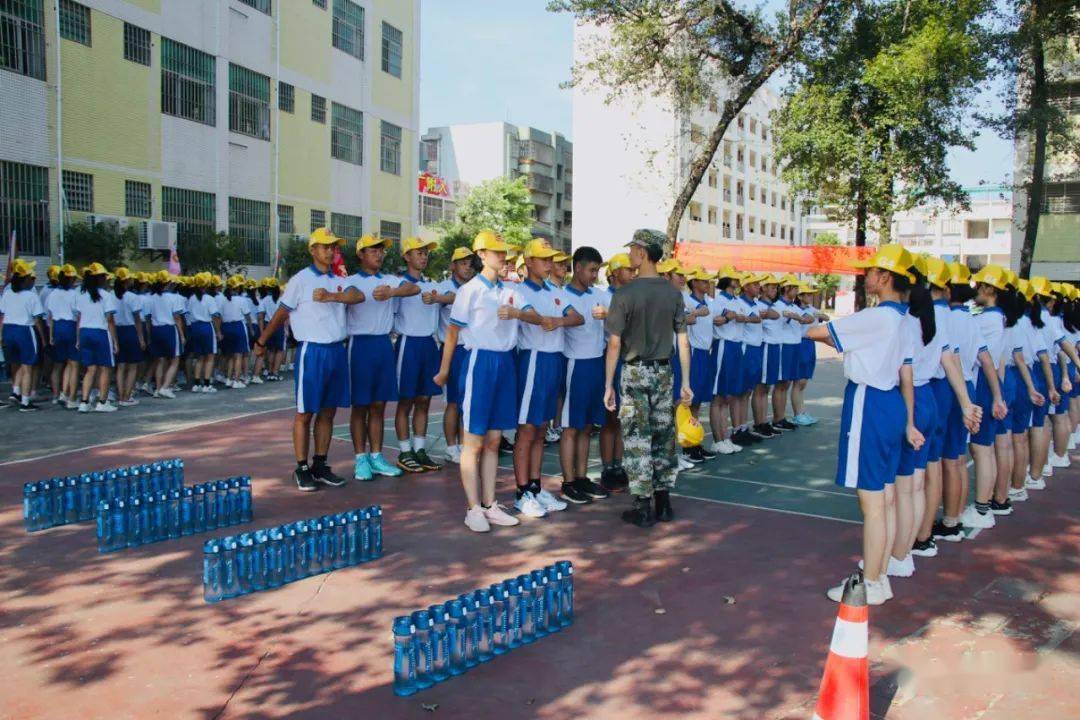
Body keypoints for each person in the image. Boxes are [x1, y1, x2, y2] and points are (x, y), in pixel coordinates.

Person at [806, 244, 922, 605]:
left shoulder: (879, 316)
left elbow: (816, 333)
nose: (866, 276)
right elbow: (906, 371)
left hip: (868, 402)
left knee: (872, 502)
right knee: (884, 498)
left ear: (885, 278)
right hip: (890, 404)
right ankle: (880, 574)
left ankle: (870, 581)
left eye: (872, 271)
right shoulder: (905, 318)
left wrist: (819, 326)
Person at [434, 230, 532, 533]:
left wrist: (518, 312)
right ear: (482, 255)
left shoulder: (512, 290)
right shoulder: (470, 291)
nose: (503, 257)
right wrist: (444, 369)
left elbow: (536, 317)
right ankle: (473, 508)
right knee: (473, 441)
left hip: (505, 363)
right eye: (497, 252)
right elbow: (453, 333)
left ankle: (490, 505)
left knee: (493, 440)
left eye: (505, 252)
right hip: (479, 362)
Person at [253, 227, 360, 492]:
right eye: (325, 246)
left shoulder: (339, 279)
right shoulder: (301, 280)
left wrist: (333, 296)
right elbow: (281, 313)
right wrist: (262, 340)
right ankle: (301, 467)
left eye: (333, 247)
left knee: (329, 411)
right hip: (312, 351)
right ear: (312, 250)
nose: (330, 251)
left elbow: (357, 296)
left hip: (336, 350)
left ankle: (320, 464)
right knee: (305, 412)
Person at [603, 229, 692, 528]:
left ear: (642, 253)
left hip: (635, 371)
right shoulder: (673, 293)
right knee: (664, 434)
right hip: (664, 371)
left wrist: (608, 384)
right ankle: (664, 501)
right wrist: (686, 382)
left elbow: (615, 343)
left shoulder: (624, 294)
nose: (629, 255)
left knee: (637, 436)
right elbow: (683, 341)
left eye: (632, 251)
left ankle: (642, 505)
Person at [343, 233, 417, 481]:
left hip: (384, 344)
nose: (379, 254)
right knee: (360, 406)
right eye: (373, 250)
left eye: (381, 250)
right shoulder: (351, 280)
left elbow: (413, 287)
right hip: (361, 346)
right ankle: (360, 458)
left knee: (379, 406)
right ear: (361, 254)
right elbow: (348, 297)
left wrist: (392, 292)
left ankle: (376, 456)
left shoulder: (389, 280)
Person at [512, 238, 573, 518]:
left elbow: (575, 317)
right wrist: (547, 319)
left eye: (551, 259)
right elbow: (531, 316)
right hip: (534, 359)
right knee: (527, 429)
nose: (549, 263)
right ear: (529, 262)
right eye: (544, 259)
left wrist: (558, 320)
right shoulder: (519, 290)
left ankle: (535, 487)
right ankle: (521, 491)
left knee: (541, 429)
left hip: (553, 360)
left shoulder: (554, 291)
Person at [557, 246, 612, 504]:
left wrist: (608, 315)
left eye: (597, 270)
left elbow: (620, 320)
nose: (594, 275)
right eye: (591, 270)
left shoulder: (598, 296)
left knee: (588, 426)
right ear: (577, 267)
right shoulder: (561, 296)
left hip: (595, 364)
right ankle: (567, 482)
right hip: (575, 365)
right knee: (571, 427)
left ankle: (581, 477)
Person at [963, 264, 1013, 530]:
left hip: (983, 383)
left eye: (979, 287)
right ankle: (988, 503)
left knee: (981, 449)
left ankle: (982, 508)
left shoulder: (986, 319)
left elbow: (986, 360)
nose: (976, 292)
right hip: (991, 383)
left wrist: (995, 395)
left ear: (990, 289)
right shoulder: (997, 317)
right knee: (988, 449)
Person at [393, 236, 446, 474]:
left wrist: (438, 298)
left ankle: (420, 449)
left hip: (428, 344)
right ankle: (405, 452)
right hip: (408, 344)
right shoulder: (397, 286)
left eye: (425, 253)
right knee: (406, 400)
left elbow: (453, 299)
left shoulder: (432, 286)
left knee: (424, 400)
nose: (423, 257)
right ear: (406, 256)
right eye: (418, 253)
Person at [437, 246, 477, 464]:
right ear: (453, 265)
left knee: (467, 402)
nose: (467, 266)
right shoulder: (444, 287)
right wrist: (445, 298)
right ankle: (451, 447)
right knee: (453, 402)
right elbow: (441, 298)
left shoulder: (474, 287)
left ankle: (464, 444)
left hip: (471, 349)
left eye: (470, 263)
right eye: (462, 262)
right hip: (454, 351)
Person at [598, 253, 633, 492]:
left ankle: (619, 465)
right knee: (609, 418)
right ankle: (607, 466)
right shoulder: (603, 296)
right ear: (615, 273)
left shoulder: (631, 298)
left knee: (623, 417)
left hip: (628, 360)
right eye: (628, 270)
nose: (632, 273)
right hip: (610, 359)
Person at [0, 259, 47, 411]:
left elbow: (2, 315)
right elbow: (38, 319)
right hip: (25, 331)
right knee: (27, 366)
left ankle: (16, 391)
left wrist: (1, 335)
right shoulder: (31, 296)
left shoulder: (7, 294)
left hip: (8, 330)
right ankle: (25, 402)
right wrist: (43, 338)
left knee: (16, 363)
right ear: (25, 280)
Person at [707, 267, 744, 454]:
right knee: (718, 396)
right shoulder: (718, 300)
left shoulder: (736, 301)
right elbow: (715, 321)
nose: (738, 280)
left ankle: (725, 437)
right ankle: (717, 440)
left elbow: (743, 318)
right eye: (735, 277)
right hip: (724, 346)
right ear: (727, 280)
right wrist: (728, 318)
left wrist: (736, 317)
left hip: (736, 347)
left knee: (728, 396)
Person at [74, 263, 120, 413]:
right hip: (100, 333)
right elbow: (110, 320)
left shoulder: (80, 295)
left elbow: (79, 319)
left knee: (90, 369)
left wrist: (78, 339)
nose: (106, 279)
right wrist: (115, 341)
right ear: (100, 279)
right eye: (104, 276)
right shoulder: (106, 296)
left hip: (84, 332)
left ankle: (84, 401)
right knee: (105, 369)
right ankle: (102, 402)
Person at [732, 272, 765, 447]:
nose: (758, 287)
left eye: (758, 284)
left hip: (756, 349)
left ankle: (743, 427)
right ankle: (736, 429)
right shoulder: (739, 303)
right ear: (745, 287)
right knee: (739, 392)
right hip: (745, 349)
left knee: (747, 392)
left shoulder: (757, 304)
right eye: (754, 284)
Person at [772, 275, 807, 430]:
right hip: (784, 346)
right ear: (786, 288)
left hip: (794, 346)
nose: (797, 291)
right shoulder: (778, 305)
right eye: (795, 288)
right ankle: (777, 419)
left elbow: (805, 317)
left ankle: (782, 417)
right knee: (781, 384)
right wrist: (791, 316)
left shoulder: (794, 306)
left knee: (786, 384)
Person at [791, 283, 828, 425]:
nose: (810, 296)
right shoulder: (795, 310)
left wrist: (819, 314)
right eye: (807, 294)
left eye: (810, 294)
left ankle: (802, 412)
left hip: (809, 345)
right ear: (800, 296)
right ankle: (797, 414)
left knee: (804, 382)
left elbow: (825, 317)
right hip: (800, 344)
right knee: (798, 381)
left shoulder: (812, 309)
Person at [146, 271, 185, 398]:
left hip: (156, 329)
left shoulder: (151, 297)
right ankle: (165, 386)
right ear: (169, 283)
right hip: (169, 329)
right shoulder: (174, 298)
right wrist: (182, 335)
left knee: (160, 360)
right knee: (175, 359)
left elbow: (148, 317)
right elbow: (177, 317)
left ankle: (158, 388)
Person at [45, 264, 80, 407]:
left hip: (57, 327)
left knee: (58, 365)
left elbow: (51, 316)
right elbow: (78, 316)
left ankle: (57, 394)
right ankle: (71, 398)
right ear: (71, 279)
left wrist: (51, 336)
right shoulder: (75, 294)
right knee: (74, 364)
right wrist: (78, 337)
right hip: (71, 327)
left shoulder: (52, 294)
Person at [112, 267, 147, 407]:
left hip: (117, 330)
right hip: (130, 331)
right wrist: (141, 338)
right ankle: (127, 396)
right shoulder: (133, 297)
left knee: (120, 366)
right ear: (127, 281)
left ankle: (121, 396)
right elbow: (137, 319)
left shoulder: (110, 295)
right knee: (132, 366)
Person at [186, 273, 222, 394]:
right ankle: (206, 384)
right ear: (206, 285)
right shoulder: (209, 299)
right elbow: (215, 316)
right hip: (206, 327)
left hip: (195, 327)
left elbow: (189, 315)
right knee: (210, 357)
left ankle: (196, 384)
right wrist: (218, 332)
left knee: (199, 357)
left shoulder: (191, 298)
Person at [221, 275, 252, 389]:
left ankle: (229, 379)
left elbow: (219, 315)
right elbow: (247, 315)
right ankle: (237, 380)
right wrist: (251, 328)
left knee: (230, 356)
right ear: (237, 288)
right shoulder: (242, 300)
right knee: (238, 355)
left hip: (226, 327)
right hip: (238, 326)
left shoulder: (222, 299)